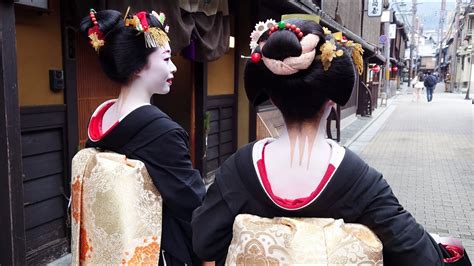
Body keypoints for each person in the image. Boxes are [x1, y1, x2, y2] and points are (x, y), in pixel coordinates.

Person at [192, 19, 445, 265]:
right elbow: (422, 256)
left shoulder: (240, 168)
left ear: (273, 99)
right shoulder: (359, 179)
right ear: (332, 100)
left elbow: (204, 241)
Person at [79, 9, 205, 265]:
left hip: (112, 249)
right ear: (137, 67)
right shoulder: (161, 131)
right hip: (155, 248)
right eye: (167, 58)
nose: (174, 67)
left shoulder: (101, 116)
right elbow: (193, 203)